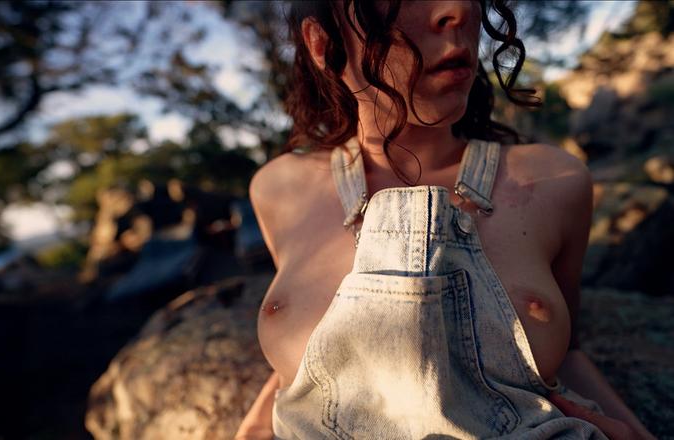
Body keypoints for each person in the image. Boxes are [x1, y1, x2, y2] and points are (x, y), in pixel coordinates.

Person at [235, 1, 656, 439]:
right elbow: (301, 371)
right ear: (322, 43)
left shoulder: (556, 182)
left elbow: (567, 354)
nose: (456, 9)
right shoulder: (278, 190)